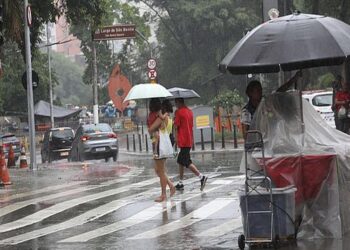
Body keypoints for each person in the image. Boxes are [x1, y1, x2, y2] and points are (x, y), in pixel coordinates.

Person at [241, 71, 302, 140]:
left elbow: (279, 92)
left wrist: (294, 79)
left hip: (272, 139)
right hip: (258, 143)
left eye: (260, 90)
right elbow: (245, 134)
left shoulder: (266, 103)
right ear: (250, 93)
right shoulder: (247, 111)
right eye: (257, 91)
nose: (260, 92)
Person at [173, 98, 208, 191]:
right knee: (180, 161)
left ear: (178, 102)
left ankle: (201, 177)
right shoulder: (190, 112)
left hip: (183, 139)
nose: (175, 105)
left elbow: (176, 127)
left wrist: (176, 139)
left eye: (175, 103)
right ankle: (180, 183)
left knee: (186, 161)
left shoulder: (178, 112)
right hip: (189, 139)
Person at [148, 99, 175, 202]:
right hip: (163, 145)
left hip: (159, 145)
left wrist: (152, 129)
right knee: (159, 170)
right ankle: (171, 186)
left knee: (161, 171)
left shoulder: (160, 119)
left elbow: (150, 130)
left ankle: (163, 194)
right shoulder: (168, 118)